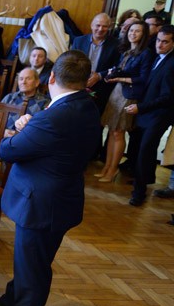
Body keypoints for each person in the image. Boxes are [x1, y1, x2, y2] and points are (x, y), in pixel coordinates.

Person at [0, 50, 101, 306]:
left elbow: (7, 151)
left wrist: (22, 128)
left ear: (51, 78)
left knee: (33, 266)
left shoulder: (51, 118)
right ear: (85, 81)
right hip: (62, 197)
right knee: (31, 260)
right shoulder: (88, 106)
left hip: (41, 205)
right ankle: (12, 299)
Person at [95, 21, 153, 183]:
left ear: (143, 35)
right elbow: (118, 69)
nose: (132, 33)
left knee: (118, 132)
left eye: (137, 31)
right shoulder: (126, 50)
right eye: (131, 30)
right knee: (112, 130)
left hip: (129, 94)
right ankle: (106, 167)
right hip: (117, 91)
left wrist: (119, 78)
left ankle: (113, 169)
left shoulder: (145, 53)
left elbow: (144, 78)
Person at [124, 25, 174, 206]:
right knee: (140, 150)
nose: (159, 45)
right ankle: (141, 182)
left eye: (165, 42)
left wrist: (141, 107)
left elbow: (168, 96)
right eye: (158, 40)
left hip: (159, 114)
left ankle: (139, 192)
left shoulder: (172, 63)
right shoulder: (157, 57)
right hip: (147, 112)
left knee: (145, 150)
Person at [70, 13, 121, 114]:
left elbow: (118, 67)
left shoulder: (117, 45)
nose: (100, 29)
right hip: (77, 88)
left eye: (105, 26)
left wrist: (99, 76)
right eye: (98, 25)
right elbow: (71, 62)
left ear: (109, 27)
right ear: (92, 25)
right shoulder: (79, 41)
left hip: (101, 90)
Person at [1, 68, 51, 136]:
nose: (23, 82)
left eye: (28, 79)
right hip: (2, 137)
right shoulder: (9, 98)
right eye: (21, 79)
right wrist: (2, 131)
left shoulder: (45, 102)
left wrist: (18, 135)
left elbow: (41, 128)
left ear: (37, 82)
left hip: (26, 141)